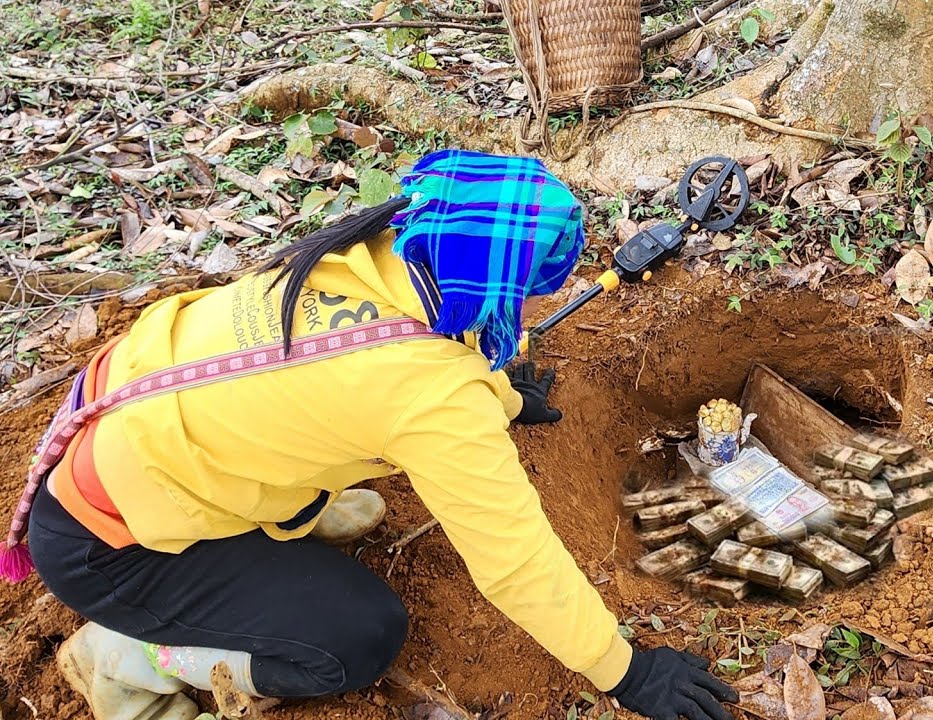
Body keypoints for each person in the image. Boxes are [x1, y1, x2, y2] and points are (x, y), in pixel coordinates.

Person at [3, 150, 737, 720]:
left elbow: (404, 356)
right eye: (524, 290)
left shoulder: (368, 252)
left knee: (349, 481)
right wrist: (626, 671)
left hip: (118, 429)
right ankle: (133, 655)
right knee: (360, 636)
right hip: (110, 547)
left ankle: (276, 520)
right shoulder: (433, 401)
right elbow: (516, 565)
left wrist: (503, 397)